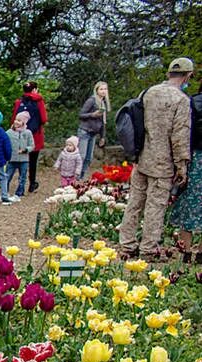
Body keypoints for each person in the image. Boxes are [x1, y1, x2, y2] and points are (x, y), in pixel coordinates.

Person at [117, 57, 193, 261]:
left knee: (135, 202)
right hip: (163, 161)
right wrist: (181, 166)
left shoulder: (149, 92)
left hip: (142, 155)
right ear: (188, 76)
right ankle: (149, 247)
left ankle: (126, 243)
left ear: (169, 73)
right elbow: (180, 135)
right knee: (155, 205)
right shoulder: (181, 101)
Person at [169, 79, 202, 263]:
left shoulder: (192, 102)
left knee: (189, 202)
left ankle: (186, 251)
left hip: (195, 157)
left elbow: (184, 132)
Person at [11, 81, 49, 192]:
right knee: (33, 161)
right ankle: (32, 183)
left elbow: (14, 118)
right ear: (34, 90)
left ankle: (20, 184)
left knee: (21, 159)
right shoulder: (39, 101)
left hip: (21, 135)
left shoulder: (19, 102)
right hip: (35, 135)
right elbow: (43, 118)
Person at [77, 81, 110, 179]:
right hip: (85, 131)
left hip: (94, 133)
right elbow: (81, 115)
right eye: (101, 89)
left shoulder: (103, 103)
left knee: (89, 158)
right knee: (82, 156)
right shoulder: (91, 101)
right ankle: (76, 177)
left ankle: (83, 177)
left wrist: (103, 136)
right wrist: (92, 114)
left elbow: (103, 122)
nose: (103, 91)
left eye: (105, 89)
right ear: (97, 90)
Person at [5, 112, 34, 200]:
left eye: (19, 120)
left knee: (22, 177)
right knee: (7, 176)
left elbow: (32, 146)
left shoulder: (28, 133)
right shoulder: (9, 132)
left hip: (24, 159)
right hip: (12, 159)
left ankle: (19, 194)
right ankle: (5, 192)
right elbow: (4, 143)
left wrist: (25, 150)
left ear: (24, 123)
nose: (16, 122)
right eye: (16, 120)